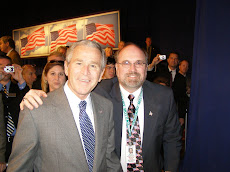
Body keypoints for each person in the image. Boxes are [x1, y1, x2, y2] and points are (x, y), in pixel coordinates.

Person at [20, 43, 181, 172]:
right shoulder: (101, 92)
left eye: (139, 63)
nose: (132, 69)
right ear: (115, 68)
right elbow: (72, 90)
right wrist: (33, 95)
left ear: (147, 67)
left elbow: (172, 138)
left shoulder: (164, 96)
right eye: (126, 63)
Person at [7, 40, 121, 171]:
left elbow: (110, 160)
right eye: (79, 63)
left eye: (93, 66)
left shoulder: (106, 107)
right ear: (66, 67)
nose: (85, 72)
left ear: (101, 74)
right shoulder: (36, 108)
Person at [0, 55, 29, 166]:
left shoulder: (18, 87)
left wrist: (20, 79)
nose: (3, 70)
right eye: (0, 67)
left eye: (7, 67)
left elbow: (29, 101)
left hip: (17, 140)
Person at [173, 60, 189, 126]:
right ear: (179, 66)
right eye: (183, 65)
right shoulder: (178, 78)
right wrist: (181, 116)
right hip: (177, 110)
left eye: (187, 66)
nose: (185, 67)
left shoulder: (186, 79)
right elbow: (180, 98)